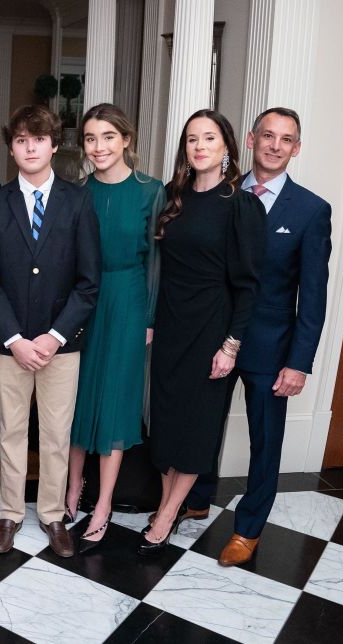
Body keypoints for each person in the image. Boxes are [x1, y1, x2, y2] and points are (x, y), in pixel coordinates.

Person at [173, 108, 331, 566]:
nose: (275, 145)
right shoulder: (217, 194)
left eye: (286, 139)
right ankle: (197, 497)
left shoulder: (310, 210)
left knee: (266, 439)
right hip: (211, 334)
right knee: (202, 421)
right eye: (268, 135)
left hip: (270, 345)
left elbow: (313, 296)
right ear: (251, 138)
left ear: (296, 148)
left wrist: (299, 361)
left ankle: (248, 528)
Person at [0, 104, 101, 559]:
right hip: (8, 345)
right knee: (10, 431)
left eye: (39, 139)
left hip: (61, 347)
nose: (31, 147)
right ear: (11, 148)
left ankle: (51, 513)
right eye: (22, 140)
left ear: (53, 144)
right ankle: (10, 512)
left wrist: (53, 337)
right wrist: (14, 338)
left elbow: (89, 282)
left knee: (55, 433)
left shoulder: (77, 201)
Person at [142, 109, 266, 555]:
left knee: (197, 427)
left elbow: (249, 284)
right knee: (167, 420)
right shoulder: (176, 196)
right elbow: (163, 269)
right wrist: (153, 320)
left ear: (228, 148)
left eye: (209, 138)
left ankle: (168, 513)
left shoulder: (241, 204)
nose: (199, 146)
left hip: (212, 327)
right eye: (192, 139)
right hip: (173, 324)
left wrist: (230, 346)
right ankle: (166, 502)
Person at [64, 104, 165, 553]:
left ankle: (102, 504)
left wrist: (147, 318)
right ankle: (72, 489)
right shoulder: (77, 192)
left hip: (127, 299)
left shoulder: (151, 191)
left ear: (126, 139)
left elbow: (157, 262)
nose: (99, 146)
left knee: (116, 399)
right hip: (82, 301)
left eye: (108, 136)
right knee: (77, 395)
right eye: (90, 138)